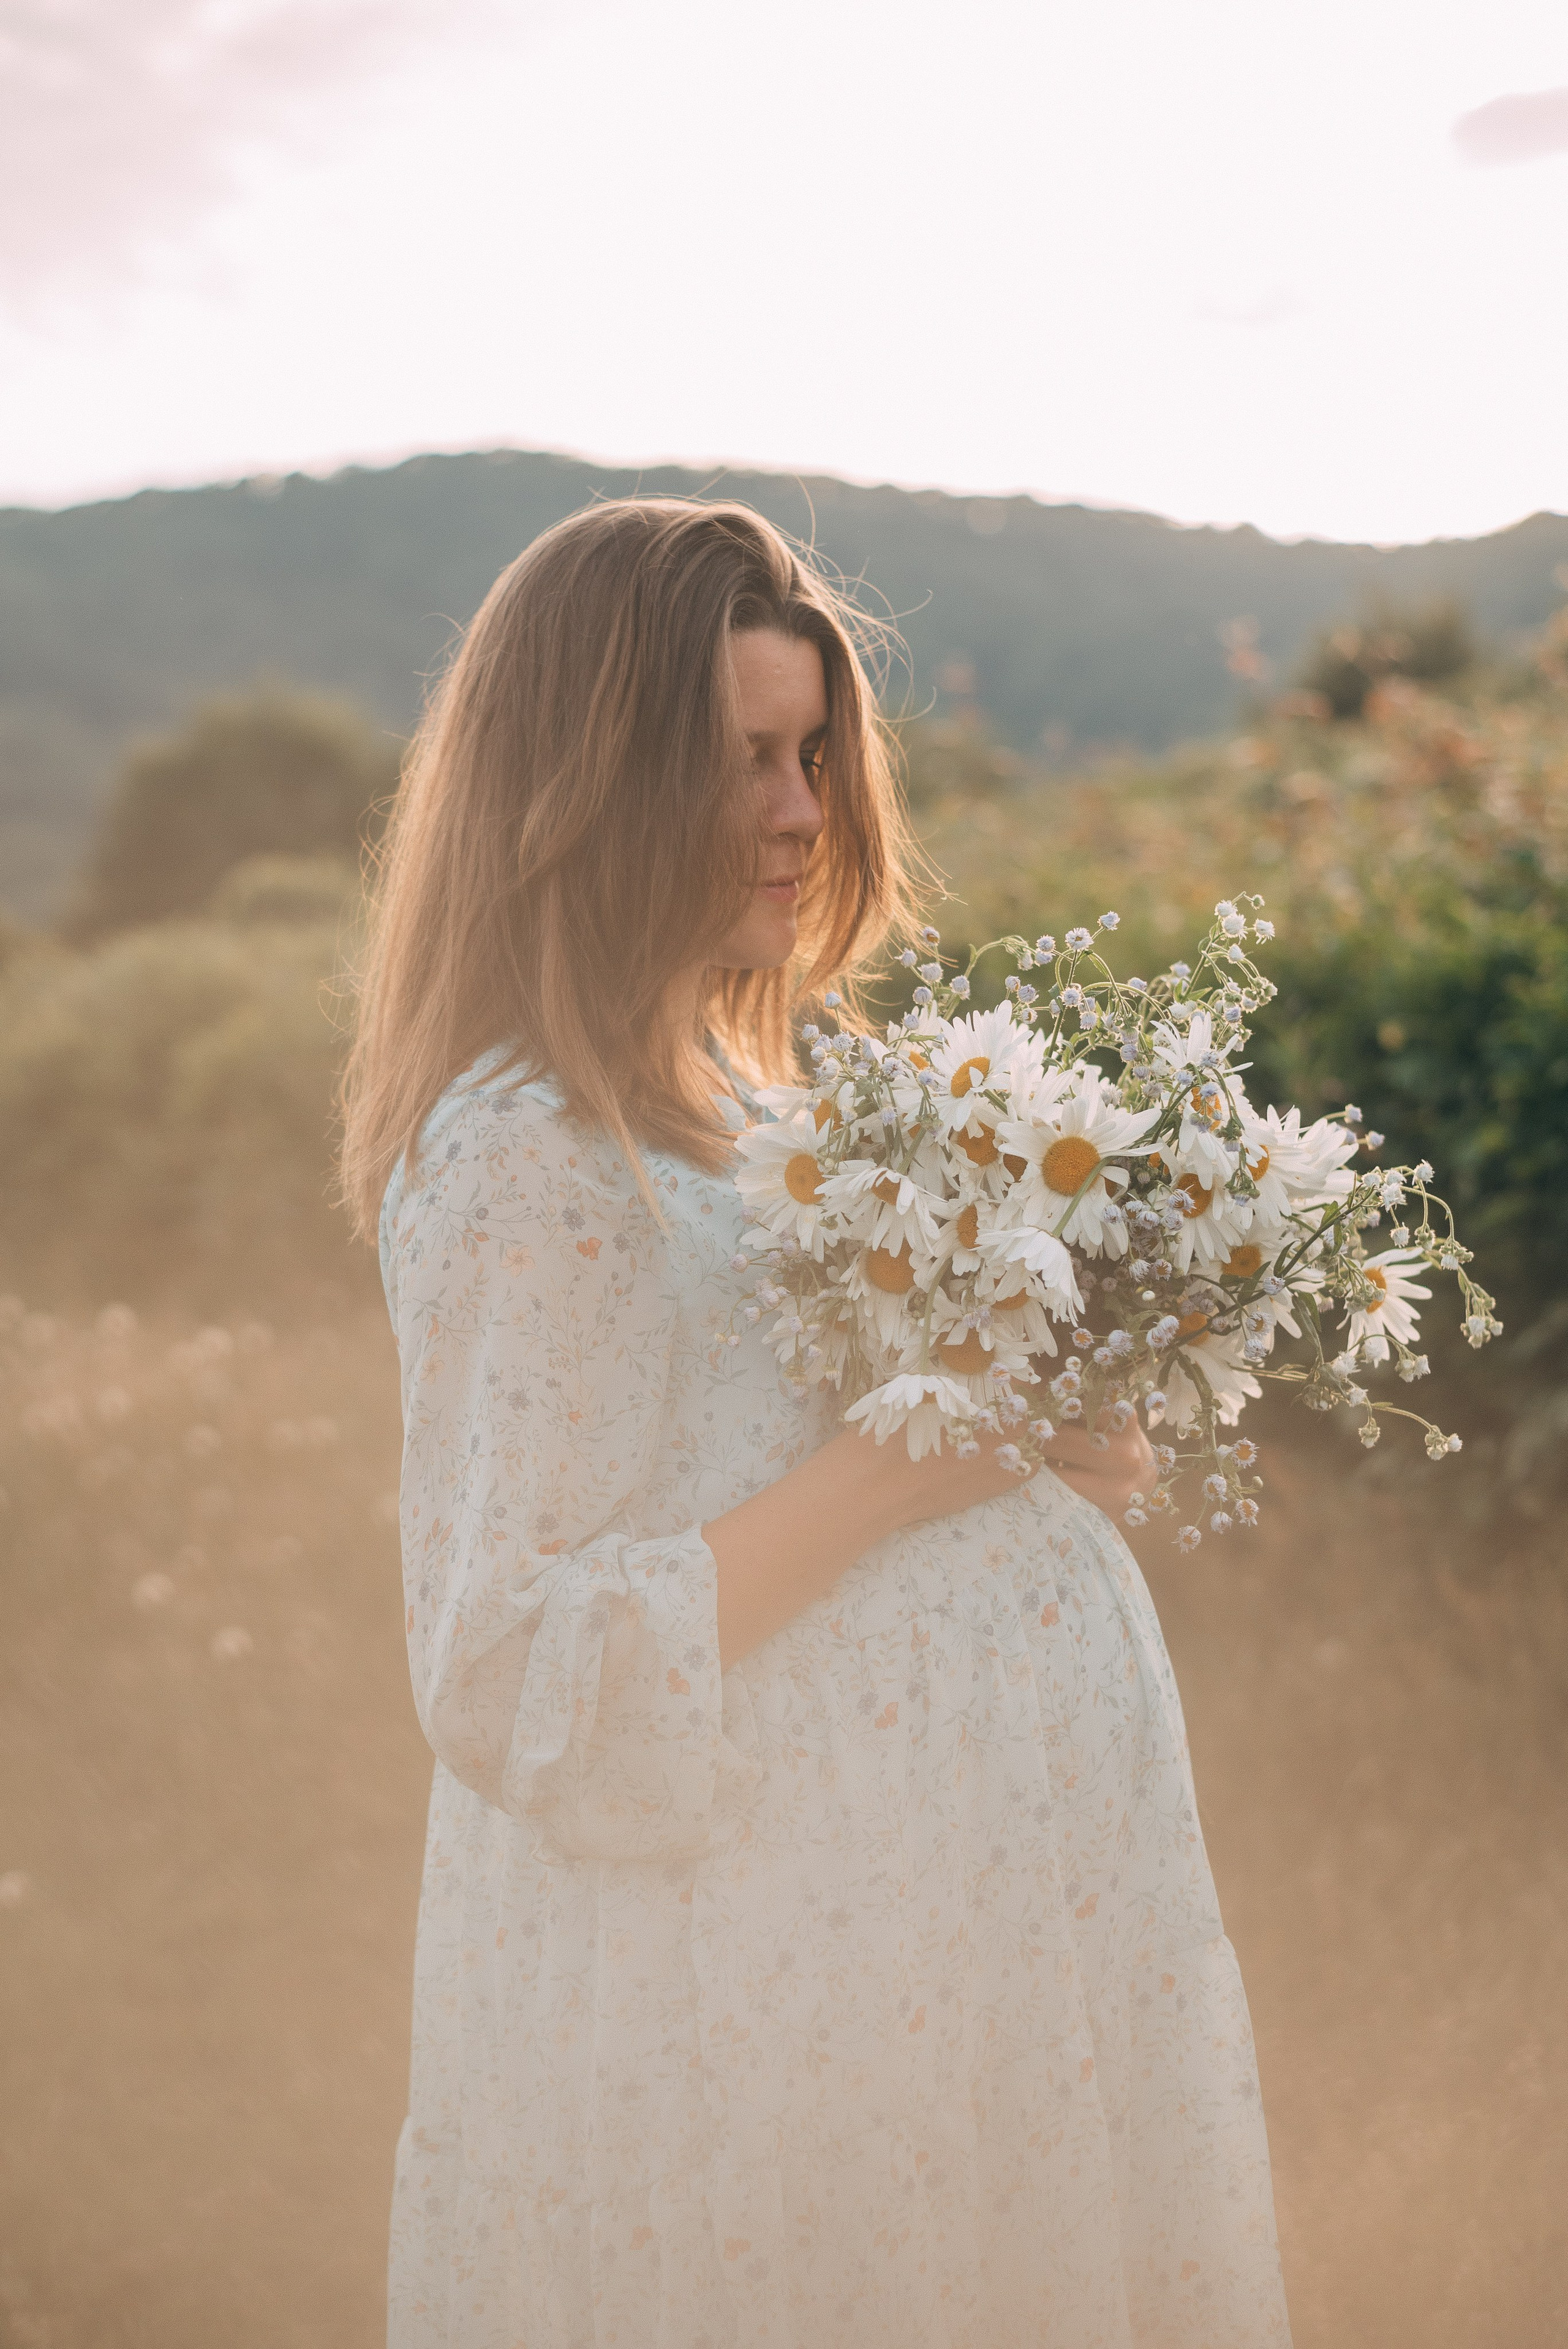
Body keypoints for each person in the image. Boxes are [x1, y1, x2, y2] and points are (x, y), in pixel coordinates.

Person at [341, 498, 1293, 2348]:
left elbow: (807, 1442)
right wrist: (893, 1476)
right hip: (742, 2030)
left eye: (811, 755)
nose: (802, 812)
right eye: (740, 764)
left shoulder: (771, 1096)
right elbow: (507, 1665)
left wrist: (1049, 1447)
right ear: (586, 794)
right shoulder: (526, 1156)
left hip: (947, 1977)